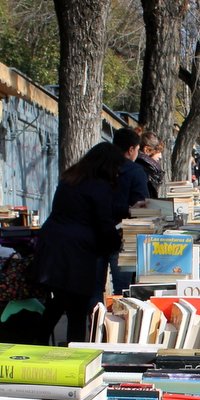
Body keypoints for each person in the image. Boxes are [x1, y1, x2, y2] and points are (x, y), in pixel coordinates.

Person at [35, 142, 124, 344]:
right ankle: (74, 350)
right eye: (117, 169)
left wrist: (126, 209)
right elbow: (103, 221)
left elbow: (83, 208)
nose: (117, 174)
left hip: (53, 243)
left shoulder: (71, 179)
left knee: (59, 300)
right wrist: (117, 243)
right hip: (75, 252)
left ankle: (38, 341)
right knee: (77, 306)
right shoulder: (99, 185)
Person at [92, 127, 149, 306]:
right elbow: (141, 206)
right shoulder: (135, 171)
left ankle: (94, 326)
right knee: (122, 289)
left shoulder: (96, 169)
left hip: (96, 233)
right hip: (124, 236)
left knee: (94, 287)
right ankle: (117, 328)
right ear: (131, 149)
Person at [135, 130, 164, 199]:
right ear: (146, 150)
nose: (160, 156)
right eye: (158, 151)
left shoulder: (146, 168)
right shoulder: (145, 170)